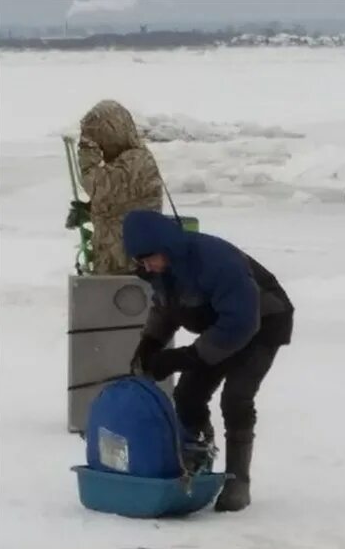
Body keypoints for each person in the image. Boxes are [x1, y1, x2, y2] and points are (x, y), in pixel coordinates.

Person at [122, 209, 294, 512]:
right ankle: (197, 455)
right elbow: (165, 308)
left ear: (167, 246)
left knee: (236, 397)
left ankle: (237, 480)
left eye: (151, 258)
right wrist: (150, 344)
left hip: (263, 323)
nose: (147, 266)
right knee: (188, 394)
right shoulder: (160, 270)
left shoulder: (215, 261)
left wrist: (187, 356)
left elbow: (242, 323)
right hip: (220, 326)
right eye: (142, 261)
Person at [71, 100, 163, 275]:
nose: (98, 142)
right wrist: (89, 210)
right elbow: (119, 202)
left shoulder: (135, 161)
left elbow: (95, 185)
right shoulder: (126, 159)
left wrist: (87, 153)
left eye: (99, 135)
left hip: (128, 263)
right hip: (116, 258)